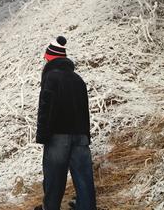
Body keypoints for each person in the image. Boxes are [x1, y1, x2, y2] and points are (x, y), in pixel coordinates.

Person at [35, 36, 96, 210]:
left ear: (51, 58)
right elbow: (84, 111)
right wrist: (86, 136)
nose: (45, 59)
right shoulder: (78, 79)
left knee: (54, 177)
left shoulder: (51, 77)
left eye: (46, 56)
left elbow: (46, 107)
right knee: (83, 177)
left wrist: (42, 135)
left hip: (58, 136)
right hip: (80, 136)